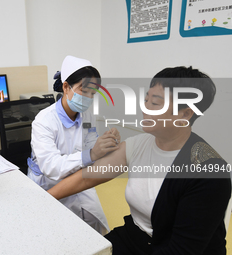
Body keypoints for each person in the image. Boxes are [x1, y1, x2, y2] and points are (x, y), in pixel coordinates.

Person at [48, 66, 232, 254]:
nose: (145, 108)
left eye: (155, 103)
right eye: (146, 100)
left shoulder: (209, 173)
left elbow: (181, 250)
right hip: (136, 239)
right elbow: (87, 177)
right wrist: (45, 198)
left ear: (185, 114)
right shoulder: (140, 144)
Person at [27, 55, 121, 235]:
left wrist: (107, 143)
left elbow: (91, 144)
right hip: (48, 184)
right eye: (83, 91)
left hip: (78, 178)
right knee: (55, 233)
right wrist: (91, 154)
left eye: (93, 94)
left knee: (97, 224)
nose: (88, 98)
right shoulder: (44, 121)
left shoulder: (86, 116)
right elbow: (51, 167)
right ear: (66, 87)